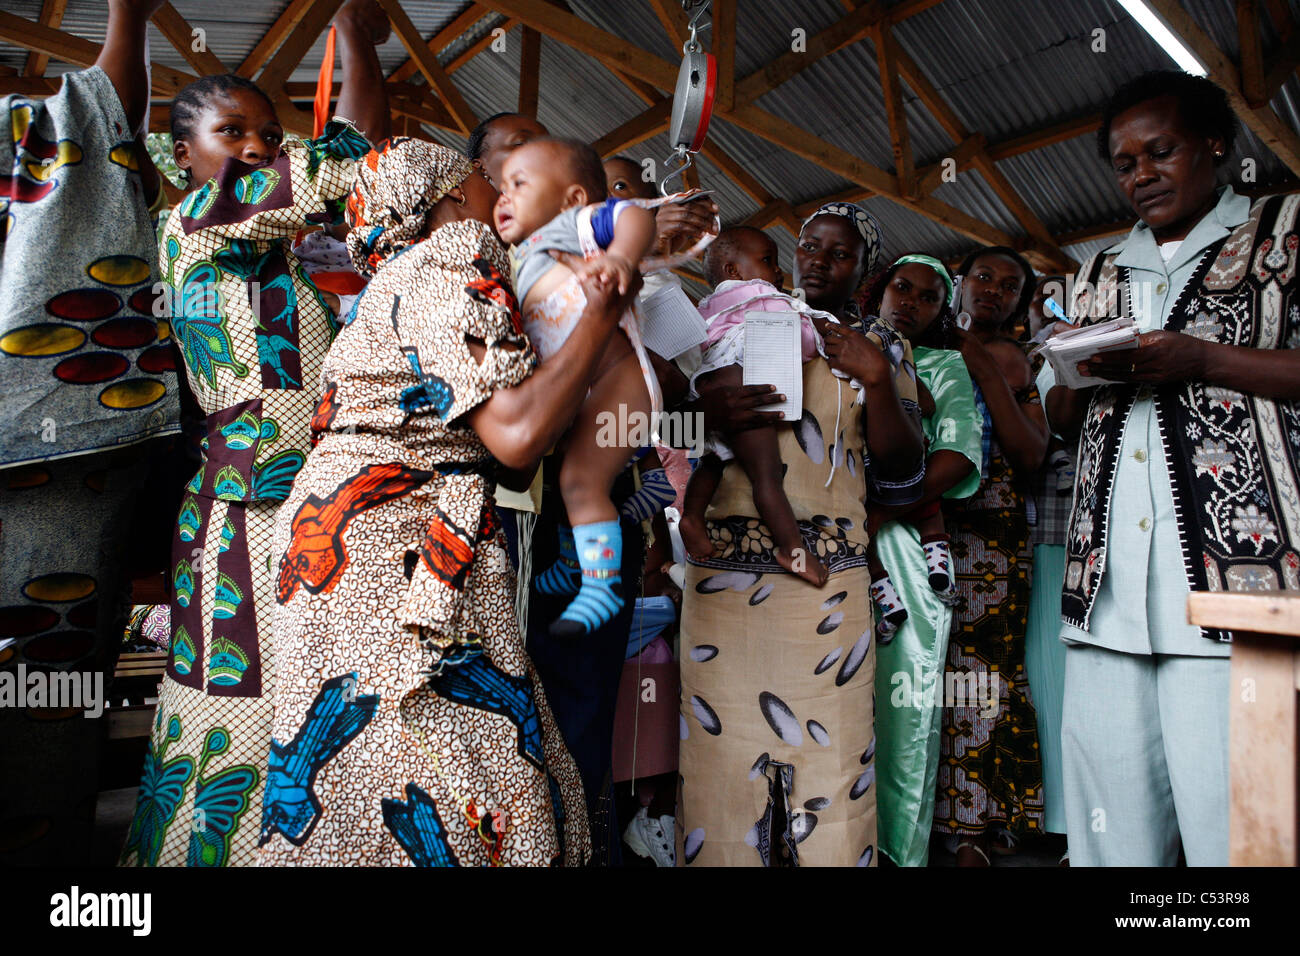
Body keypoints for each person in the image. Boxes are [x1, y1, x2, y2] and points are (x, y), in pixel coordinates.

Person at [259, 137, 629, 866]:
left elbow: (504, 451)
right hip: (385, 554)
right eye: (485, 178)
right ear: (449, 198)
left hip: (347, 545)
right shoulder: (451, 257)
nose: (498, 191)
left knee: (374, 765)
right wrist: (601, 317)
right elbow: (518, 437)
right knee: (464, 763)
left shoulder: (400, 277)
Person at [120, 0, 391, 868]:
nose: (257, 146)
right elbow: (349, 156)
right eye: (232, 129)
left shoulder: (280, 255)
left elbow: (338, 167)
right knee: (244, 684)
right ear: (184, 152)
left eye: (268, 133)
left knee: (303, 683)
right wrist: (354, 36)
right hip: (247, 498)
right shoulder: (198, 221)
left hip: (301, 493)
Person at [1044, 71, 1300, 867]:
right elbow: (1056, 412)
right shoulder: (1093, 274)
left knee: (1245, 838)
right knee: (1113, 845)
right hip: (1107, 598)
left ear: (1216, 145)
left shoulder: (1283, 236)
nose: (1141, 174)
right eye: (1124, 163)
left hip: (1244, 592)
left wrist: (1203, 360)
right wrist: (1076, 381)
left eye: (1162, 151)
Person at [676, 201, 925, 866]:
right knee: (721, 770)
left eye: (838, 253)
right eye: (810, 246)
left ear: (862, 269)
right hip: (724, 584)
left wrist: (875, 380)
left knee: (835, 767)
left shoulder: (880, 348)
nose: (818, 261)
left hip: (827, 585)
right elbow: (652, 435)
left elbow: (903, 469)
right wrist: (702, 412)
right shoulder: (742, 323)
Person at [0, 0, 177, 867]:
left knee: (50, 684)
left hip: (53, 454)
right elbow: (107, 117)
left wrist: (127, 14)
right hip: (56, 444)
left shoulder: (24, 140)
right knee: (49, 678)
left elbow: (105, 115)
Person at [494, 137, 658, 637]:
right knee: (572, 482)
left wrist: (623, 259)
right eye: (500, 187)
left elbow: (637, 217)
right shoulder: (516, 258)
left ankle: (601, 586)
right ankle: (576, 564)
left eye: (519, 184)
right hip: (581, 391)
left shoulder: (577, 224)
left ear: (570, 198)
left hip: (618, 383)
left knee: (579, 482)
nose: (504, 197)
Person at [932, 244, 1049, 866]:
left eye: (1010, 285)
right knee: (928, 674)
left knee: (986, 678)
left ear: (1022, 302)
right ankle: (933, 815)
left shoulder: (1020, 360)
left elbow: (1030, 456)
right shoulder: (918, 344)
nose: (993, 290)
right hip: (923, 521)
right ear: (961, 282)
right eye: (984, 276)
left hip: (994, 535)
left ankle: (980, 822)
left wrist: (982, 366)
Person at [866, 254, 983, 866]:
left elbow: (958, 455)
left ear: (943, 311)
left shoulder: (944, 366)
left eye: (929, 297)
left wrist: (877, 513)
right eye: (901, 287)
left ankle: (896, 853)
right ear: (879, 289)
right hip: (827, 546)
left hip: (903, 550)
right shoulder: (836, 345)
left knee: (902, 710)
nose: (910, 301)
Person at [680, 225, 832, 586]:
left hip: (709, 386)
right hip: (743, 387)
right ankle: (791, 548)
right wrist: (817, 335)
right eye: (768, 260)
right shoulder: (762, 294)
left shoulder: (706, 307)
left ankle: (692, 516)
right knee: (766, 475)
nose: (778, 272)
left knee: (712, 460)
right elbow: (798, 338)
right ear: (734, 271)